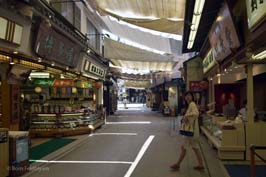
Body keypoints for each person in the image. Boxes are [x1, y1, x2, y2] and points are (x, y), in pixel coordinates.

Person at [170, 91, 204, 171]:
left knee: (184, 147)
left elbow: (196, 113)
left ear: (192, 97)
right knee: (194, 148)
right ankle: (201, 164)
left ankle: (177, 164)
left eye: (189, 95)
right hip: (191, 132)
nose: (188, 97)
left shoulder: (192, 104)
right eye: (186, 96)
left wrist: (186, 116)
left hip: (190, 132)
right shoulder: (189, 105)